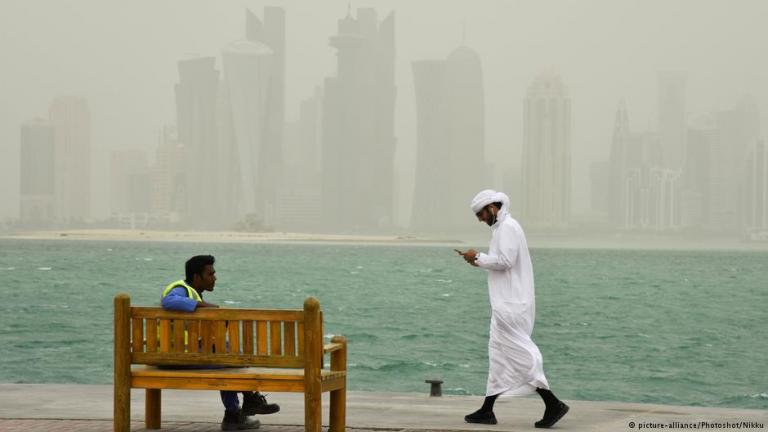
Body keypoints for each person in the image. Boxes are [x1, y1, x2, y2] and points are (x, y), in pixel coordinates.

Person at [456, 190, 569, 428]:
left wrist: (477, 257)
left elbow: (505, 261)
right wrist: (477, 259)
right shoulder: (502, 228)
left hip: (512, 305)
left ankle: (553, 403)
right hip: (504, 303)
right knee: (497, 354)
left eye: (480, 214)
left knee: (521, 354)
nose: (480, 219)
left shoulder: (508, 227)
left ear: (492, 208)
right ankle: (487, 410)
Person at [161, 254, 280, 431]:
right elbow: (168, 301)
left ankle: (244, 404)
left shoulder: (191, 292)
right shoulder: (181, 289)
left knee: (230, 355)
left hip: (177, 354)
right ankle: (238, 411)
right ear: (196, 276)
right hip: (173, 357)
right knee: (231, 361)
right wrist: (205, 306)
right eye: (210, 274)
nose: (214, 278)